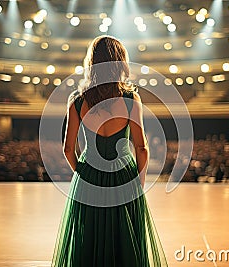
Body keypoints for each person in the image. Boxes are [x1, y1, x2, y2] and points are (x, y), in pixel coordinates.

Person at [51, 35, 168, 266]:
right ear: (119, 63)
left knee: (89, 240)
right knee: (124, 240)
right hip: (124, 176)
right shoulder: (129, 99)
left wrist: (83, 174)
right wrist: (139, 185)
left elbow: (67, 148)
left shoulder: (77, 101)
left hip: (88, 177)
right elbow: (142, 147)